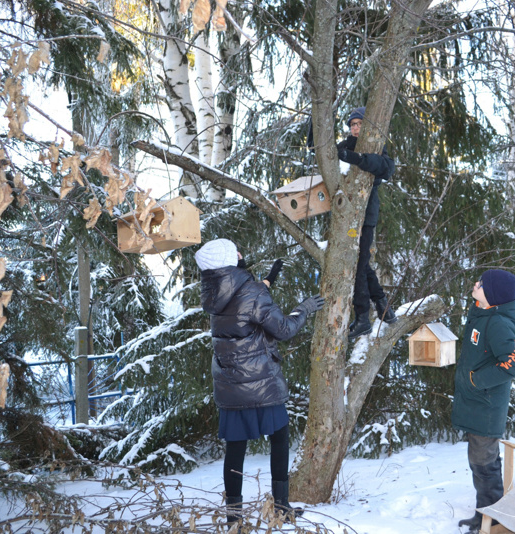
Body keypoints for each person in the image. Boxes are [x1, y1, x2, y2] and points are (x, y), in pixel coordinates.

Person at [195, 238, 324, 528]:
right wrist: (303, 308)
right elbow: (284, 329)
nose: (242, 253)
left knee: (235, 450)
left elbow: (243, 305)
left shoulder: (214, 291)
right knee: (279, 438)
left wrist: (267, 281)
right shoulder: (251, 292)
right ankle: (281, 506)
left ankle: (234, 518)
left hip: (230, 383)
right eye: (236, 251)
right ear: (231, 260)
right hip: (261, 383)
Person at [451, 269, 515, 532]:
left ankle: (493, 521)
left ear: (492, 295)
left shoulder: (498, 323)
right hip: (476, 403)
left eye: (481, 284)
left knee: (484, 465)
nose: (476, 284)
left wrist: (477, 381)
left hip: (487, 406)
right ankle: (486, 513)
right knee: (480, 462)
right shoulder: (481, 313)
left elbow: (514, 364)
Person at [337, 106, 398, 339]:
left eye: (359, 124)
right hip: (348, 215)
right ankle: (383, 308)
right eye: (352, 125)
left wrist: (359, 159)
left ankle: (364, 317)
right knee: (361, 263)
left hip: (366, 216)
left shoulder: (376, 147)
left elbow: (386, 168)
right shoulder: (345, 146)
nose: (354, 128)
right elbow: (330, 156)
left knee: (359, 264)